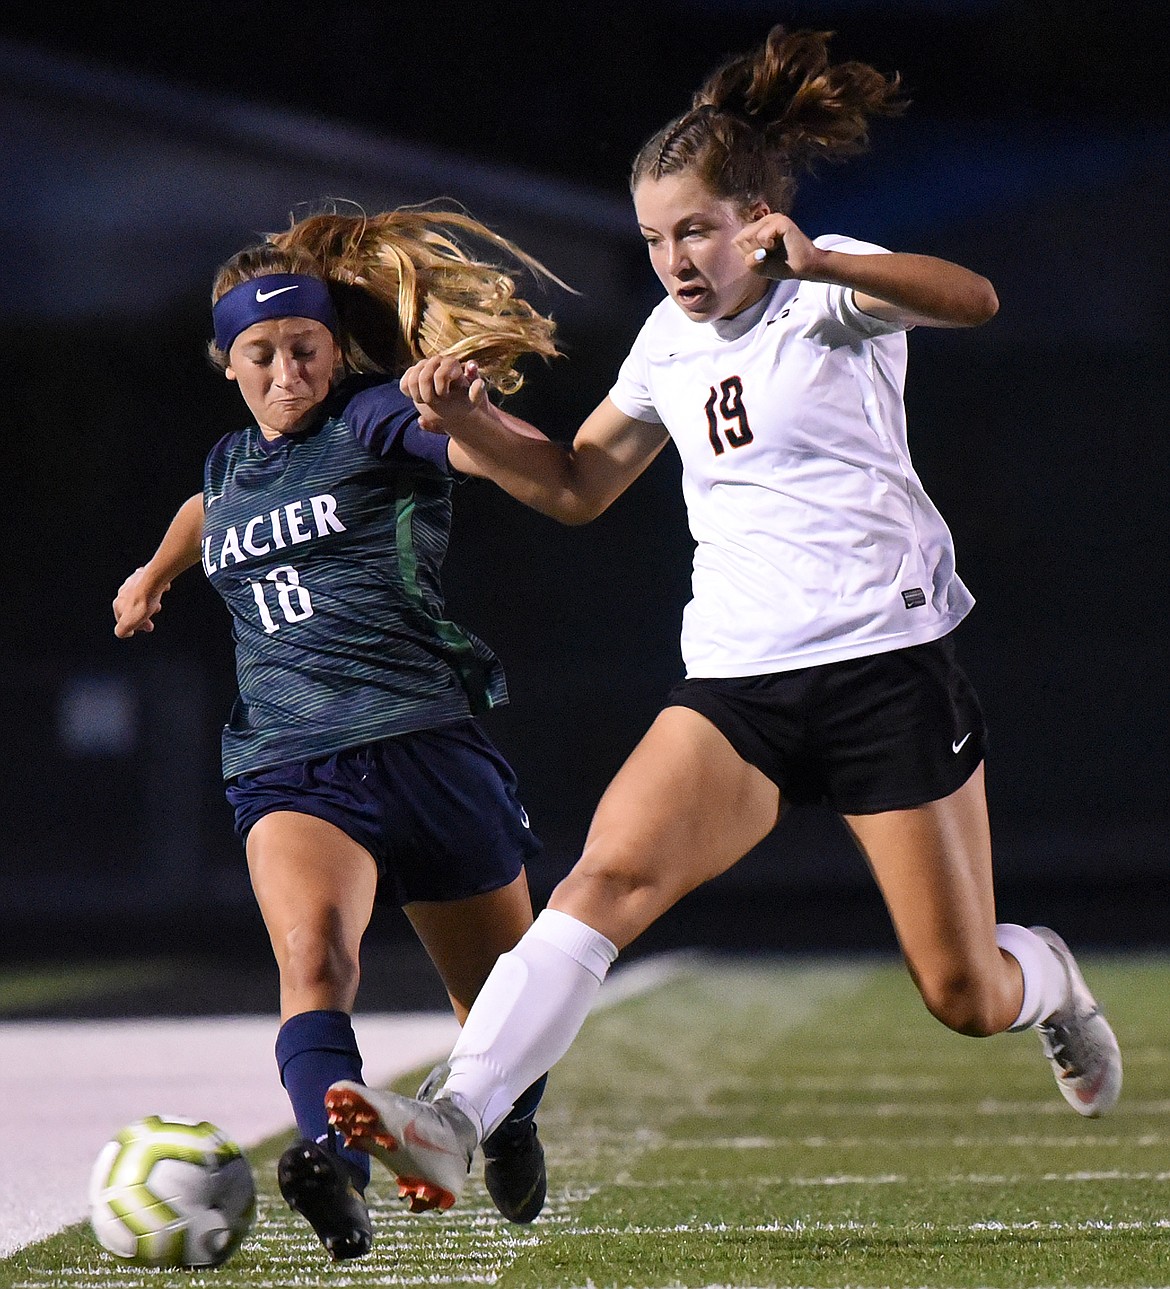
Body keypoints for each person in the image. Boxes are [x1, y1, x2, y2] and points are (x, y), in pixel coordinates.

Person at [321, 25, 1124, 1212]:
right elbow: (580, 485)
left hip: (883, 666)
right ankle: (452, 1114)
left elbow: (975, 298)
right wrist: (475, 424)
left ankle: (1049, 975)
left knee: (963, 991)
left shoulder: (828, 280)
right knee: (602, 880)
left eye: (694, 228)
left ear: (755, 216)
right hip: (738, 680)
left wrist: (829, 268)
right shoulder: (666, 339)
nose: (675, 259)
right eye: (654, 237)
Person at [112, 207, 572, 1258]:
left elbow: (463, 443)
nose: (285, 369)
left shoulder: (371, 422)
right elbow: (203, 509)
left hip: (427, 744)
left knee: (497, 1006)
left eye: (303, 348)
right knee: (313, 960)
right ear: (227, 362)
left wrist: (472, 417)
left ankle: (513, 1121)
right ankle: (337, 1163)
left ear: (334, 348)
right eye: (259, 353)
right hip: (292, 761)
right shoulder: (229, 464)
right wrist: (154, 572)